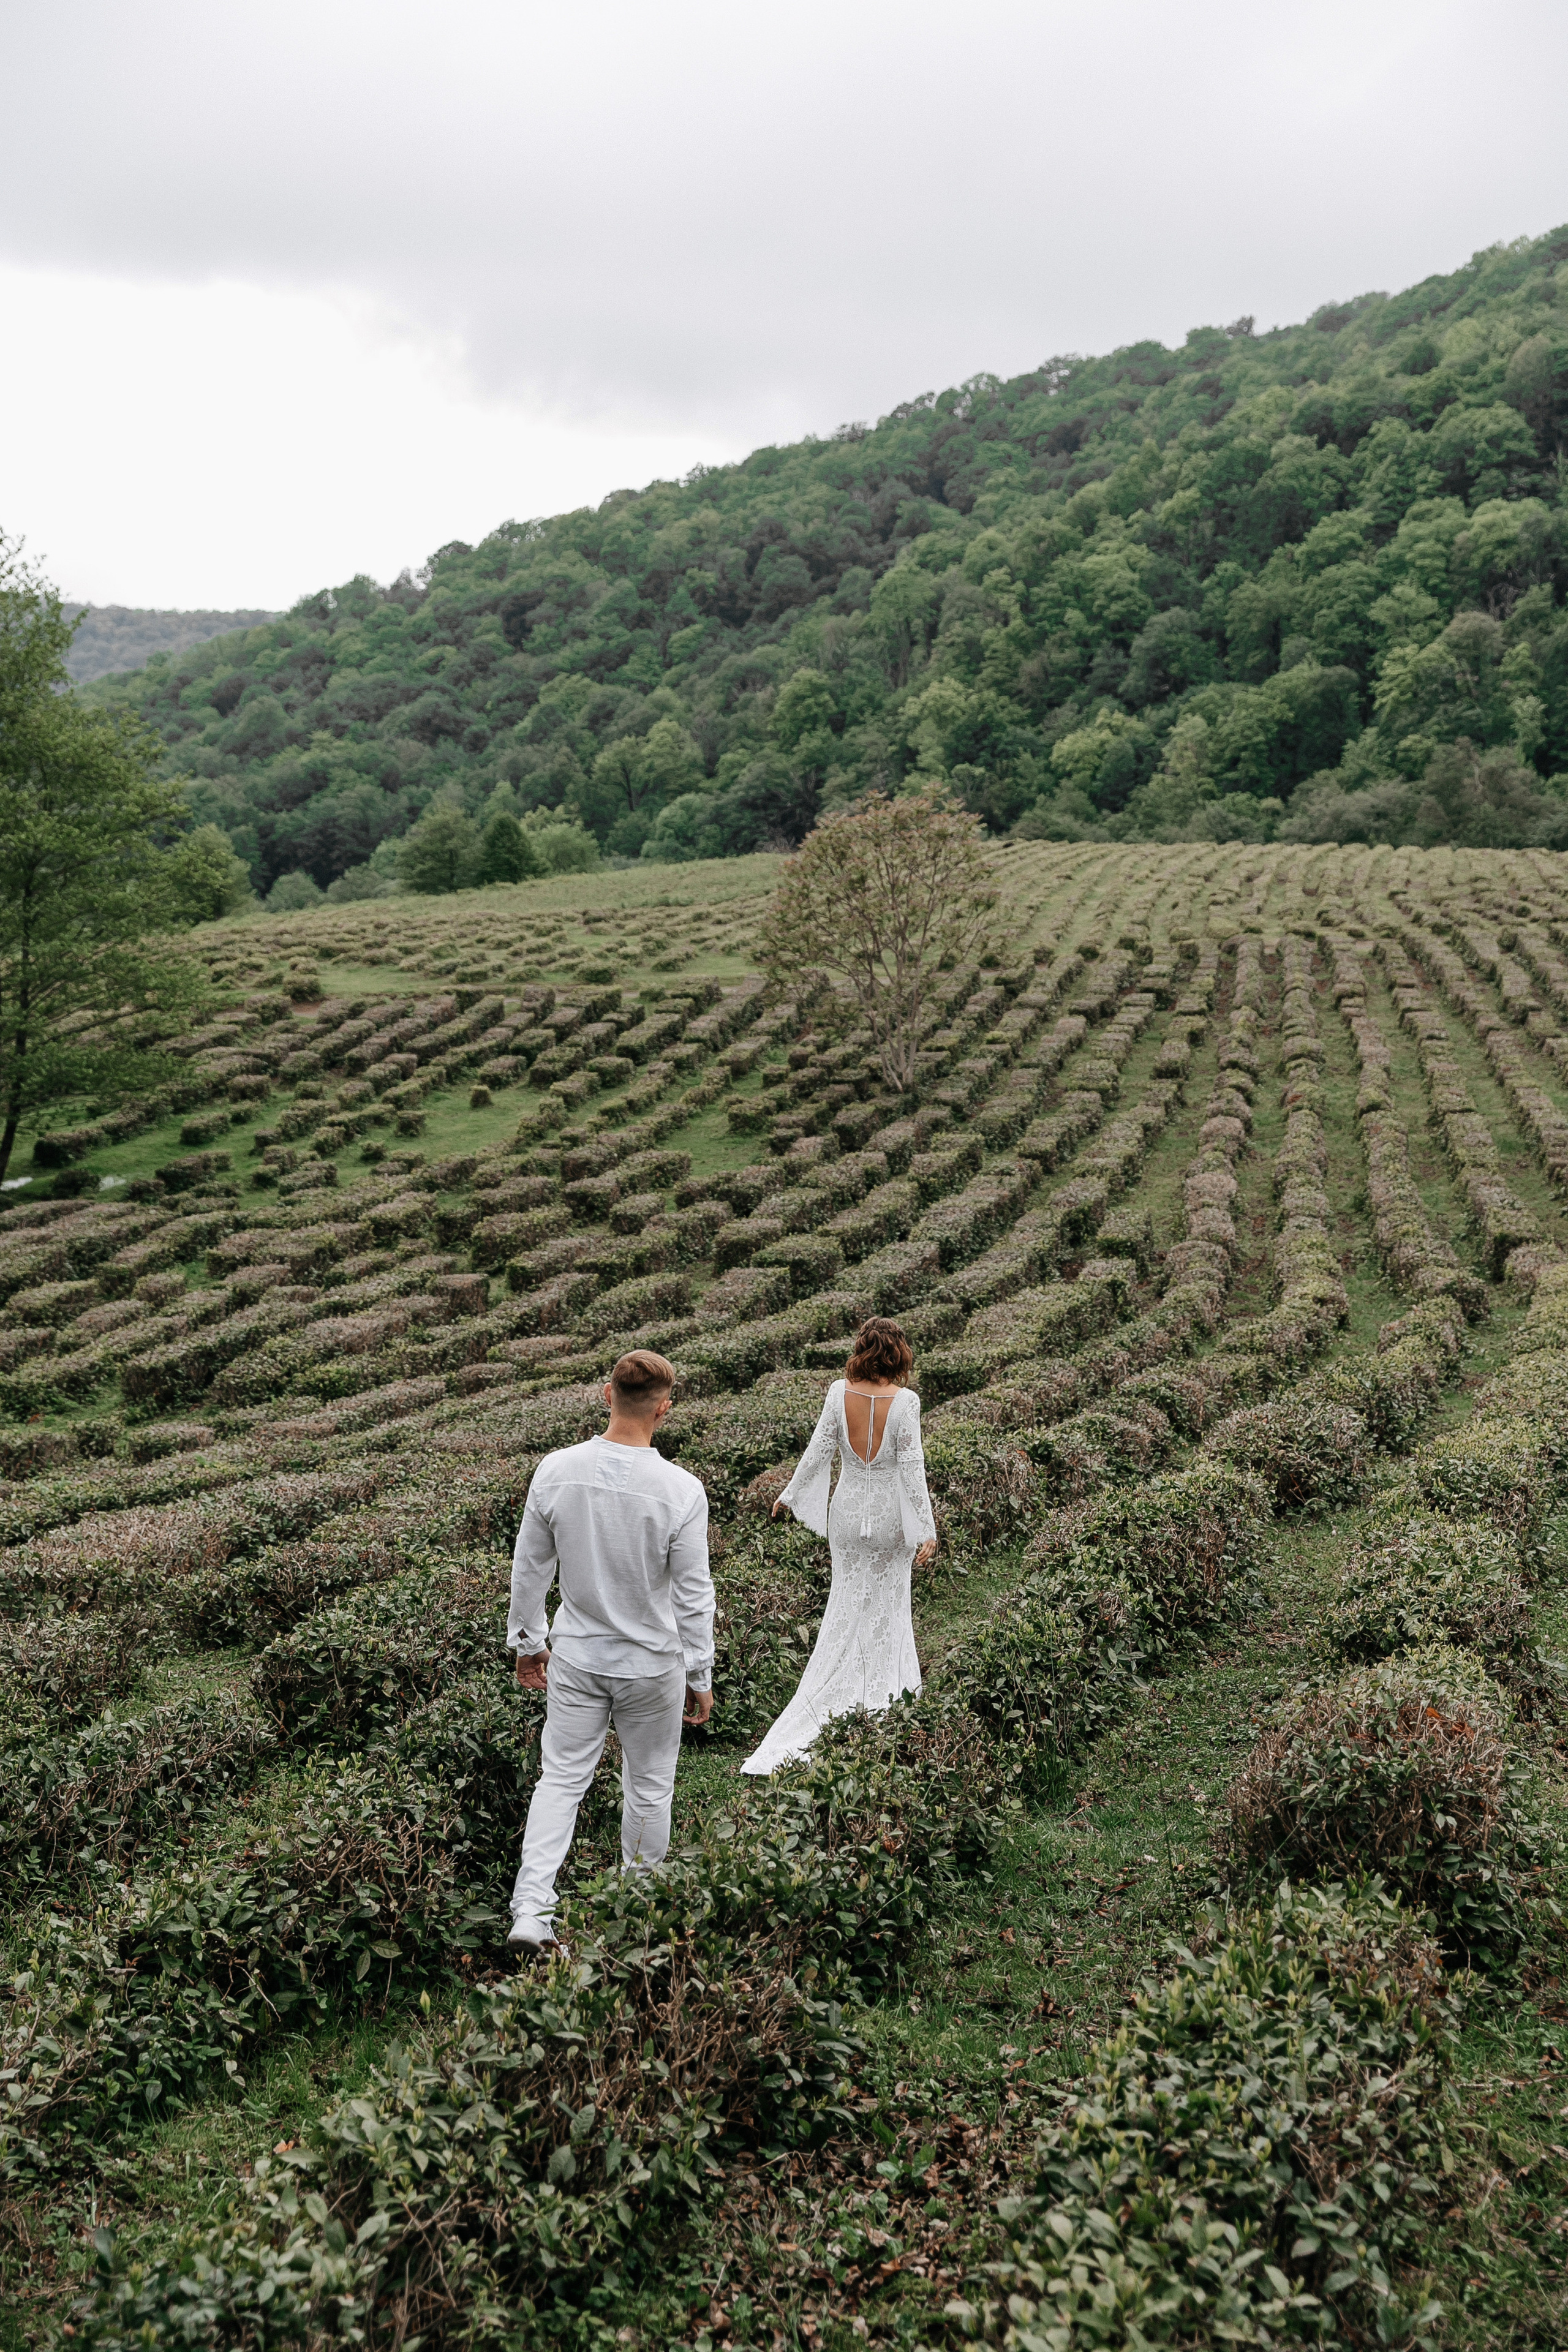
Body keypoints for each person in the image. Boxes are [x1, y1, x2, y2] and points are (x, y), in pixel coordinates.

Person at [507, 1349, 714, 1952]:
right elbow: (694, 1594)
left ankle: (531, 1911)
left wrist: (528, 1642)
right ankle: (637, 1908)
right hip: (653, 1665)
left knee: (560, 1780)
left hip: (577, 1655)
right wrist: (699, 1670)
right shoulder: (682, 1490)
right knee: (648, 1784)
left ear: (606, 1395)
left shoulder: (556, 1470)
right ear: (664, 1410)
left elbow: (529, 1569)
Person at [742, 1316, 936, 1776]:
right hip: (889, 1517)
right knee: (889, 1600)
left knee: (846, 1600)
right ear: (900, 1354)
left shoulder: (837, 1392)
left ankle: (837, 1685)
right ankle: (884, 1689)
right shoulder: (906, 1402)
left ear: (862, 1349)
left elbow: (818, 1451)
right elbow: (912, 1470)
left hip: (846, 1514)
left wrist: (790, 1493)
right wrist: (926, 1527)